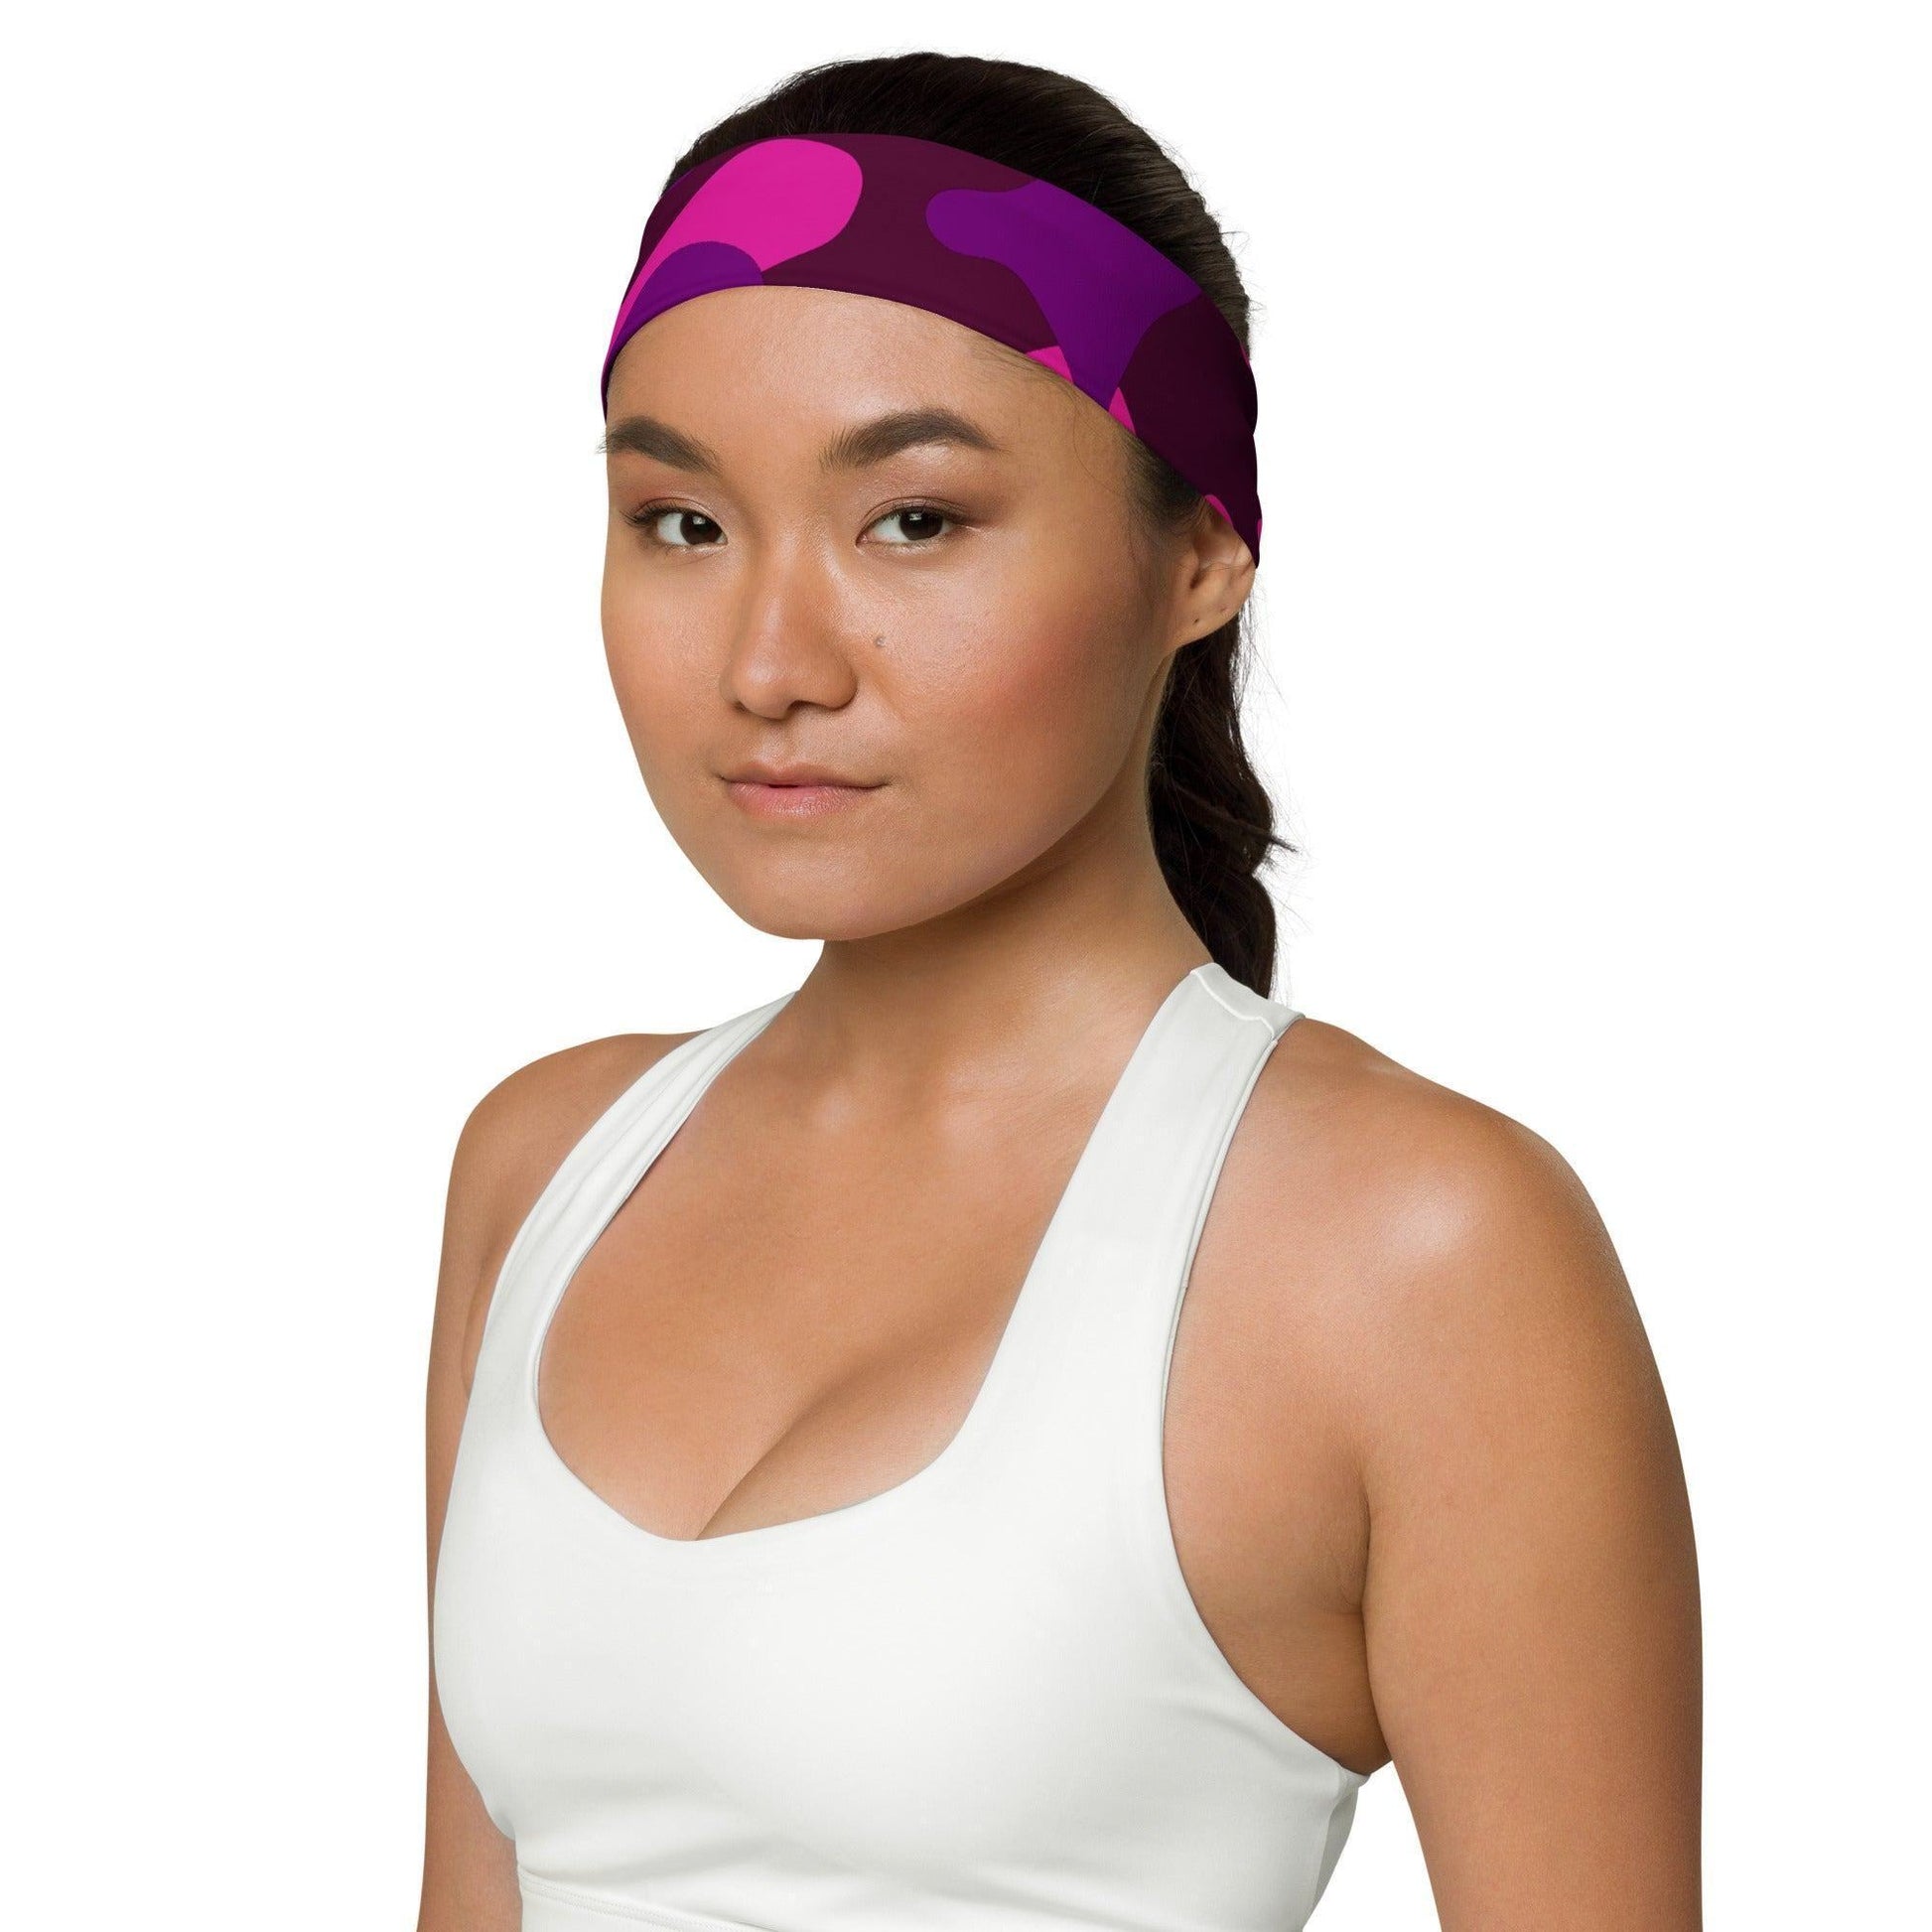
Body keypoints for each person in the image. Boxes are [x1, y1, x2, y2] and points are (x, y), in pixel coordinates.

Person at [417, 50, 1702, 1932]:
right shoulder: (548, 1165)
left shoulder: (1411, 1250)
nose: (770, 663)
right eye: (681, 522)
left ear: (1201, 554)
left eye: (914, 519)